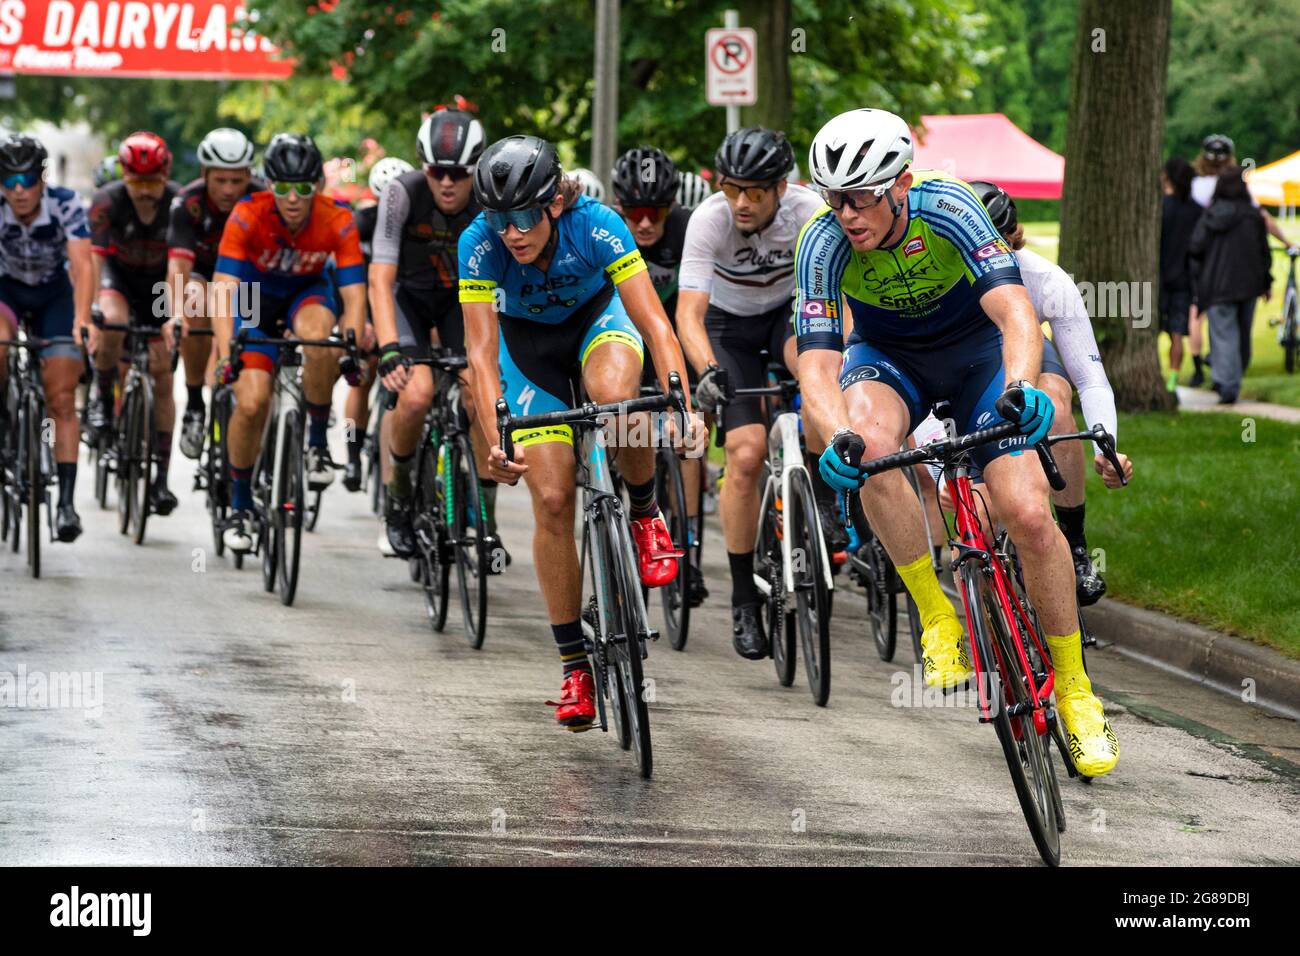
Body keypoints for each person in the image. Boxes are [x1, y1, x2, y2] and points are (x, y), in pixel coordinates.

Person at [798, 108, 1118, 777]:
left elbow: (1014, 313)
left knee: (1027, 513)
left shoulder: (950, 208)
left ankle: (1075, 689)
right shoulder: (820, 243)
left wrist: (1025, 387)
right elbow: (818, 365)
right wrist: (835, 434)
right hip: (889, 359)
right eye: (834, 198)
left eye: (860, 197)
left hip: (978, 356)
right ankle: (937, 614)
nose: (846, 214)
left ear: (902, 184)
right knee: (869, 442)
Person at [460, 134, 703, 731]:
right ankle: (574, 668)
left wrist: (682, 402)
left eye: (524, 217)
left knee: (620, 398)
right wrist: (498, 437)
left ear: (555, 205)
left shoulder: (597, 225)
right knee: (550, 499)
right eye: (500, 219)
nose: (512, 233)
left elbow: (654, 320)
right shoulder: (478, 245)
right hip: (529, 353)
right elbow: (482, 355)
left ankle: (646, 515)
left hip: (599, 323)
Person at [674, 126, 829, 659]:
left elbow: (837, 295)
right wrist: (708, 369)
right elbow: (689, 315)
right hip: (727, 326)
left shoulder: (810, 211)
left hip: (787, 315)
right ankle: (743, 598)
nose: (741, 202)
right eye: (732, 188)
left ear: (780, 189)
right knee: (744, 453)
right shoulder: (708, 220)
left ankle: (824, 497)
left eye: (755, 192)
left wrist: (843, 355)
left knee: (813, 373)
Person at [970, 182, 1133, 605]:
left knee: (1057, 408)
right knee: (971, 529)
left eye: (998, 248)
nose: (989, 261)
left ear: (1013, 237)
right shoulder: (942, 282)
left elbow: (1091, 378)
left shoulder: (1045, 279)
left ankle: (1076, 543)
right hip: (965, 372)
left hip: (1029, 362)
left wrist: (1105, 445)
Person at [210, 133, 366, 552]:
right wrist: (228, 352)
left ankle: (316, 442)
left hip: (306, 294)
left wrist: (349, 344)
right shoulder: (247, 214)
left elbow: (354, 294)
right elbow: (223, 288)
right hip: (254, 301)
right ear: (267, 185)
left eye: (302, 188)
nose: (292, 198)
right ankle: (240, 506)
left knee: (322, 340)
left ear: (317, 186)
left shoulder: (339, 218)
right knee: (252, 402)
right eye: (281, 187)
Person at [371, 110, 500, 560]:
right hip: (410, 301)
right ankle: (399, 501)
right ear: (423, 168)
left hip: (460, 305)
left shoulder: (489, 200)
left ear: (477, 171)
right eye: (437, 172)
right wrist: (389, 349)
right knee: (417, 394)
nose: (447, 183)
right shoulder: (399, 194)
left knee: (479, 396)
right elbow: (380, 279)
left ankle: (485, 517)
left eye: (460, 174)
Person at [610, 144, 706, 605]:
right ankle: (623, 507)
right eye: (634, 212)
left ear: (672, 208)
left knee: (689, 433)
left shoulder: (688, 230)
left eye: (655, 212)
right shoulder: (609, 232)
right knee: (623, 425)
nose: (645, 222)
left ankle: (684, 544)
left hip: (674, 336)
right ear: (619, 208)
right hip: (625, 337)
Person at [0, 133, 94, 541]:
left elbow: (83, 266)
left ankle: (66, 505)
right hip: (8, 290)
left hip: (55, 293)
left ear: (41, 180)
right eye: (9, 182)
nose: (19, 192)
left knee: (60, 397)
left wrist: (81, 320)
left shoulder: (66, 204)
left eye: (26, 181)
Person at [86, 131, 182, 516]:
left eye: (152, 182)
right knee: (111, 322)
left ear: (166, 174)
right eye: (136, 182)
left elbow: (180, 264)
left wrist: (175, 315)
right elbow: (93, 262)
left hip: (160, 283)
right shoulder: (106, 202)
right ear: (124, 176)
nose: (144, 192)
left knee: (162, 374)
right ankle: (102, 398)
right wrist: (92, 314)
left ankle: (161, 479)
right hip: (119, 278)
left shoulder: (178, 203)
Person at [165, 128, 262, 460]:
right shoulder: (187, 204)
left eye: (237, 181)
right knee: (193, 297)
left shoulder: (263, 199)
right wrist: (174, 312)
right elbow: (177, 266)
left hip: (250, 280)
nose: (229, 190)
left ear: (249, 175)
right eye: (220, 180)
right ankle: (194, 403)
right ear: (204, 173)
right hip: (202, 275)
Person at [339, 154, 411, 497]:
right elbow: (348, 279)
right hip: (366, 304)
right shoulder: (360, 225)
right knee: (361, 378)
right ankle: (352, 453)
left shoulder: (415, 223)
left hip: (401, 305)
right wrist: (360, 322)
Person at [1188, 166, 1272, 405]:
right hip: (1248, 285)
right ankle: (1232, 379)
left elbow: (1195, 247)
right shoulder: (1253, 216)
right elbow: (1263, 252)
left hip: (1218, 285)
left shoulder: (1211, 215)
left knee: (1224, 335)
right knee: (1242, 333)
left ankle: (1227, 383)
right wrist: (1266, 282)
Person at [1158, 157, 1203, 391]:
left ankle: (1158, 375)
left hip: (1157, 279)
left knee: (1149, 329)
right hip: (1184, 280)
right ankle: (1172, 384)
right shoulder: (1197, 211)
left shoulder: (1160, 208)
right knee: (1177, 334)